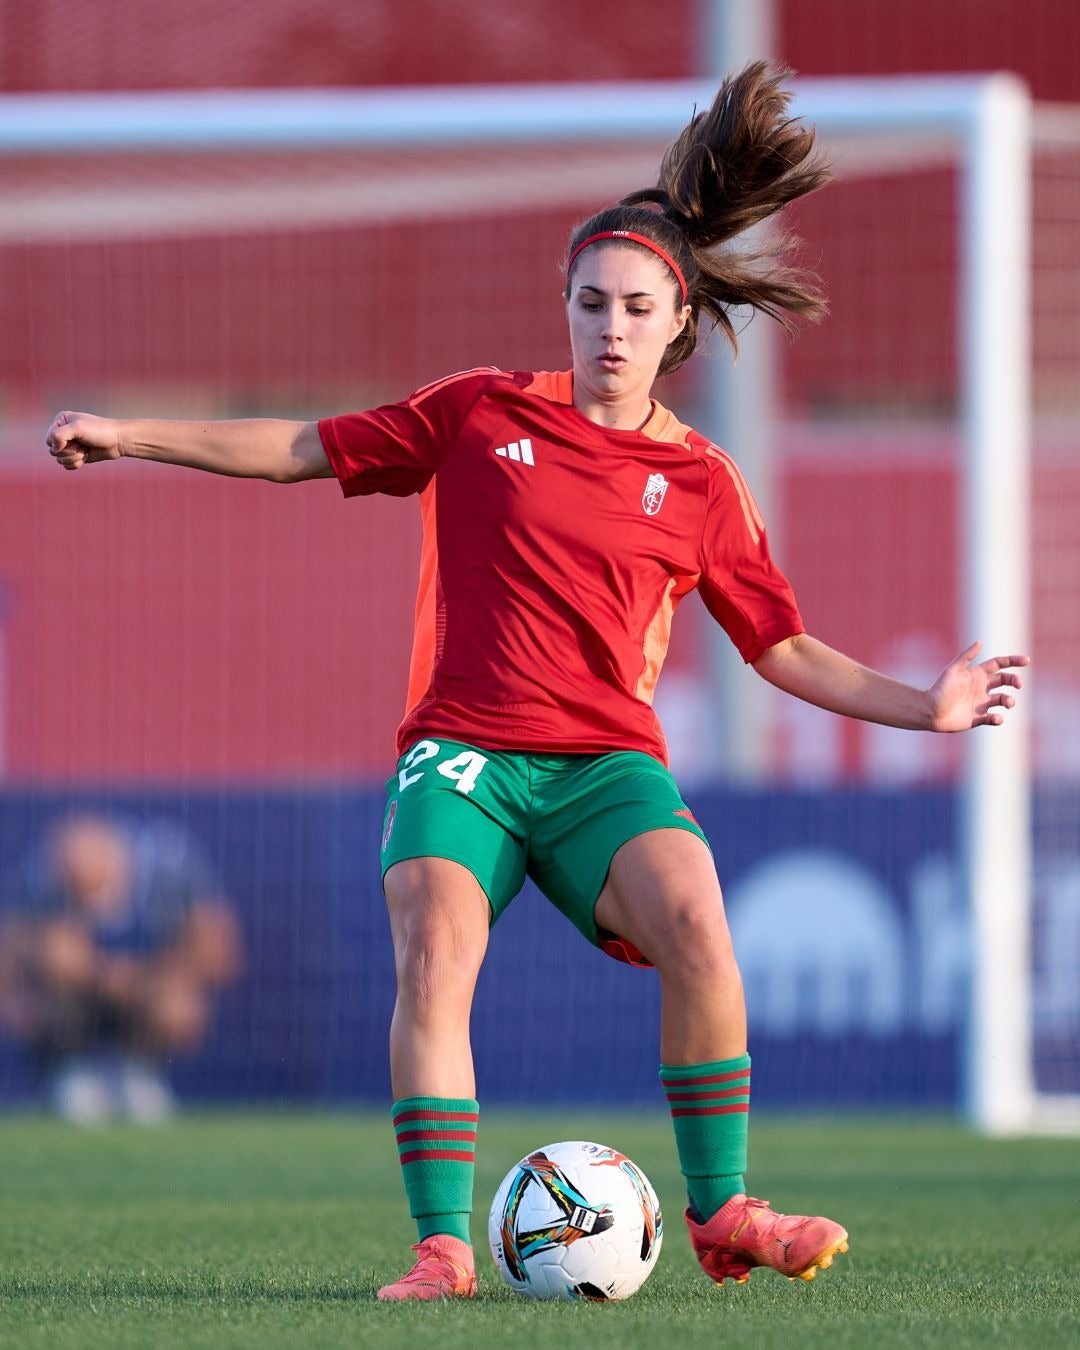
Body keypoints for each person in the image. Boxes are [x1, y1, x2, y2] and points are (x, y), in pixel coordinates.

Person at [45, 62, 1028, 1294]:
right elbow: (303, 447)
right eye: (588, 302)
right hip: (460, 748)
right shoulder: (479, 415)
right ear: (562, 306)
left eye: (632, 308)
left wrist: (923, 703)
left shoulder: (708, 485)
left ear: (680, 323)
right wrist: (131, 432)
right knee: (434, 950)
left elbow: (781, 648)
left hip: (604, 768)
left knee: (702, 926)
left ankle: (723, 1214)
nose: (608, 328)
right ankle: (446, 1246)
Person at [0, 812, 242, 1123]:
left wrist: (146, 976)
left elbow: (221, 954)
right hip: (76, 999)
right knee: (55, 963)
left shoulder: (169, 869)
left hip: (149, 989)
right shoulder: (42, 879)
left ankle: (137, 1072)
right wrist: (52, 958)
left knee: (178, 1007)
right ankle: (72, 1072)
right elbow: (10, 949)